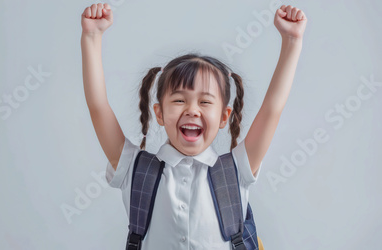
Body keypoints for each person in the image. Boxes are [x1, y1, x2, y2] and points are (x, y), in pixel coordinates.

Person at [81, 3, 306, 249]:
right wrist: (91, 36)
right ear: (159, 112)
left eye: (205, 101)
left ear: (223, 117)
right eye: (179, 100)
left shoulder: (237, 169)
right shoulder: (133, 168)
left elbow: (272, 110)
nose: (192, 109)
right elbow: (98, 107)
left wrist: (292, 41)